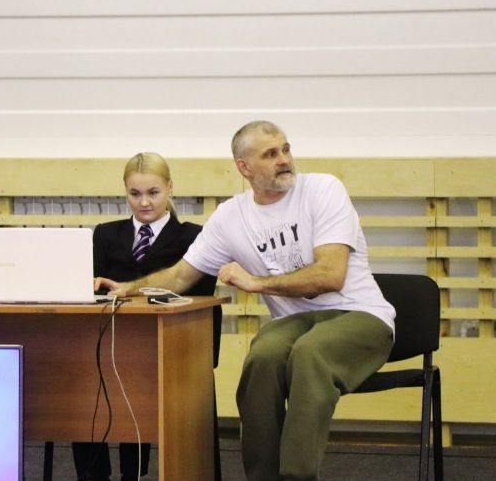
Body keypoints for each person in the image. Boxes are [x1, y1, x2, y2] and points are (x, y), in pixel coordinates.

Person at [96, 122, 395, 481]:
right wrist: (129, 287)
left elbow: (331, 275)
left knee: (309, 353)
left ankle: (296, 476)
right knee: (262, 358)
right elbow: (179, 276)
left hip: (360, 315)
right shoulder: (230, 217)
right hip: (296, 324)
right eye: (270, 154)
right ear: (245, 167)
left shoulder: (322, 189)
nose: (284, 159)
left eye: (285, 149)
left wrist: (256, 282)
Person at [74, 152, 219, 481]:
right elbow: (90, 289)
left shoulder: (194, 237)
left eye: (153, 193)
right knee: (82, 385)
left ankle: (136, 474)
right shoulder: (105, 235)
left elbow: (200, 294)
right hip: (111, 345)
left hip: (171, 346)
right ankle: (93, 475)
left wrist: (135, 290)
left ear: (170, 188)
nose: (144, 203)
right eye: (134, 194)